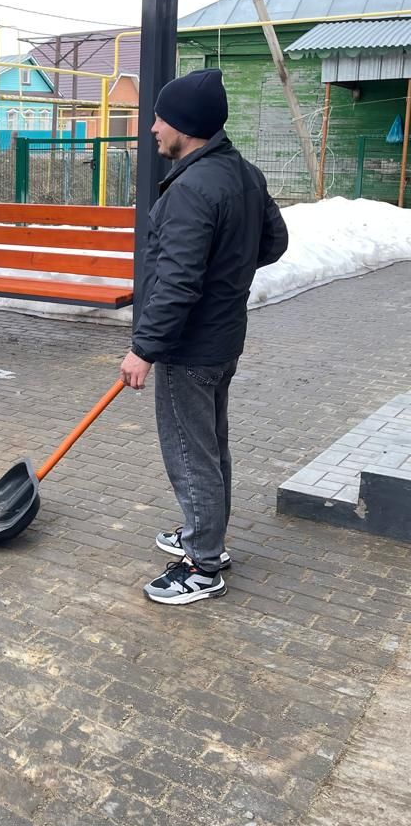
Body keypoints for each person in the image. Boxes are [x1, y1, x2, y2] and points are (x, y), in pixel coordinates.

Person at [119, 68, 288, 606]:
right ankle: (205, 532)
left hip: (188, 347)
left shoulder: (192, 188)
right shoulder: (244, 173)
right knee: (211, 446)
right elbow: (274, 243)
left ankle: (202, 564)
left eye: (159, 118)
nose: (151, 129)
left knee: (192, 454)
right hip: (222, 339)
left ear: (185, 126)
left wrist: (144, 348)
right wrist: (228, 274)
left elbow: (177, 281)